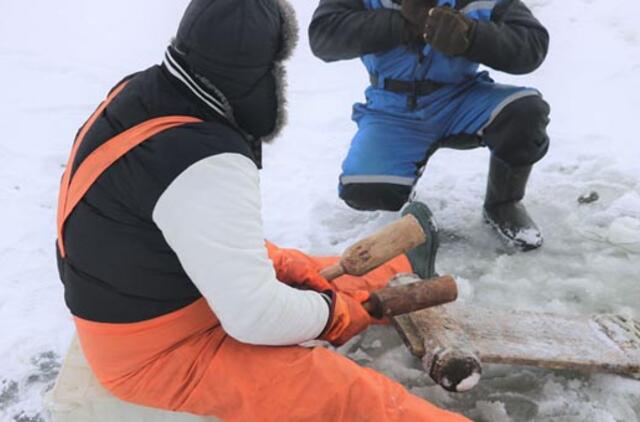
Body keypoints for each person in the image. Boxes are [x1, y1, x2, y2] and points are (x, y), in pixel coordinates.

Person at [55, 0, 468, 420]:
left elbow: (181, 215)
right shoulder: (202, 158)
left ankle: (399, 273)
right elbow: (255, 318)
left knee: (292, 266)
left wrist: (298, 289)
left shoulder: (147, 92)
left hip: (151, 277)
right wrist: (335, 315)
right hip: (159, 351)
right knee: (340, 394)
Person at [309, 0, 551, 250]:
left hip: (461, 98)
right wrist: (402, 25)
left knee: (524, 111)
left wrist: (471, 35)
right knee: (364, 191)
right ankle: (403, 178)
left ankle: (503, 204)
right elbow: (322, 37)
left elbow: (533, 45)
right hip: (392, 109)